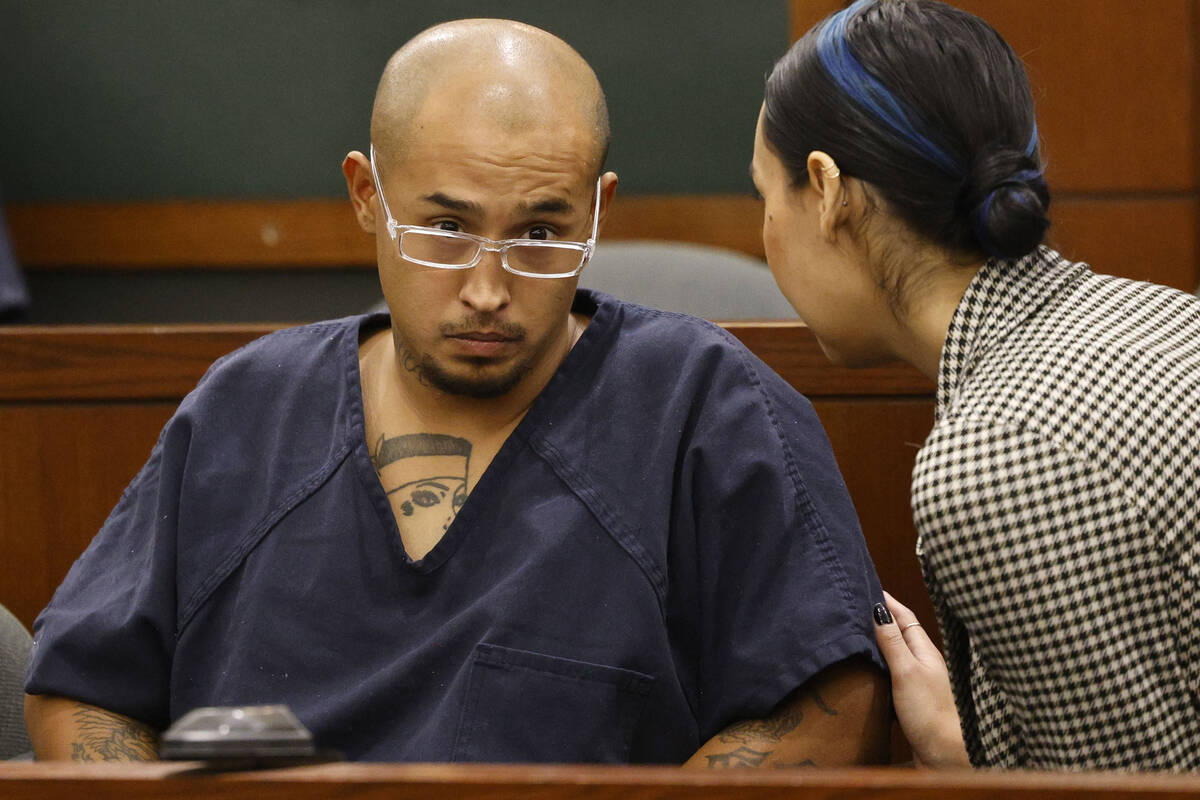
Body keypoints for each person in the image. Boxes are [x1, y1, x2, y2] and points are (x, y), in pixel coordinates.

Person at [25, 19, 891, 766]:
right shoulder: (247, 412)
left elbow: (831, 708)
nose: (487, 287)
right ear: (367, 195)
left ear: (598, 211)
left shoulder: (706, 410)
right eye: (444, 229)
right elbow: (80, 691)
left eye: (542, 233)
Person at [751, 0, 1200, 772]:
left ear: (827, 191)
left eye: (765, 198)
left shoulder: (999, 461)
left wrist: (976, 766)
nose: (767, 234)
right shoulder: (1163, 314)